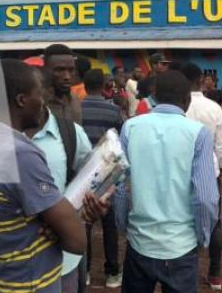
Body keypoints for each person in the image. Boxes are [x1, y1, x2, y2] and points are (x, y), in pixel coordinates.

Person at [0, 59, 89, 293]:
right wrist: (62, 224)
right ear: (22, 100)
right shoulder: (21, 153)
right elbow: (77, 242)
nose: (43, 103)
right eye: (39, 95)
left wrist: (49, 222)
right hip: (29, 283)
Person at [114, 70, 219, 293]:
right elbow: (205, 197)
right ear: (188, 100)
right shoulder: (198, 133)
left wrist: (124, 226)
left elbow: (119, 186)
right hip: (180, 245)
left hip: (139, 242)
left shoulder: (131, 127)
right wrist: (202, 236)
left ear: (154, 95)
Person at [27, 67, 111, 292]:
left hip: (63, 263)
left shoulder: (70, 133)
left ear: (44, 93)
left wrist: (94, 204)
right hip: (12, 268)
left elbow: (94, 177)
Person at [181, 63, 222, 290]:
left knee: (182, 219)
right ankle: (216, 273)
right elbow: (221, 143)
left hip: (181, 171)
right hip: (210, 171)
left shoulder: (177, 105)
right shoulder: (213, 107)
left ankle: (187, 270)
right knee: (215, 222)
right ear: (201, 80)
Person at [80, 68, 124, 288]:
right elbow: (120, 145)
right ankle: (112, 273)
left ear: (84, 85)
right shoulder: (114, 111)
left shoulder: (75, 110)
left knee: (84, 223)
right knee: (109, 225)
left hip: (82, 176)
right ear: (104, 85)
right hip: (107, 176)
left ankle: (85, 271)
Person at [43, 44, 82, 124]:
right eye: (59, 70)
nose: (67, 77)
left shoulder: (75, 100)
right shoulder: (37, 104)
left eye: (71, 70)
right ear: (45, 70)